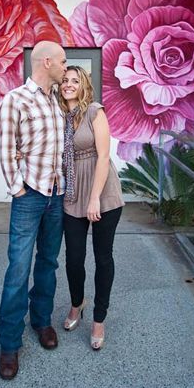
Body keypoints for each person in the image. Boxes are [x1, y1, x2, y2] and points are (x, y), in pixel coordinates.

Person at [0, 40, 68, 380]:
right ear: (48, 62)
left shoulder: (56, 101)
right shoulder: (14, 100)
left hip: (56, 195)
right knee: (18, 268)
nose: (66, 68)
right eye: (64, 62)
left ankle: (41, 322)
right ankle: (9, 344)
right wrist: (18, 189)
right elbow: (6, 149)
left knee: (49, 263)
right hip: (29, 197)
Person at [58, 66, 124, 351]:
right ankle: (77, 303)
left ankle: (99, 319)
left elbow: (104, 155)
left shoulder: (95, 112)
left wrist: (95, 198)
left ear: (84, 86)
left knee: (103, 258)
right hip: (73, 194)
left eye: (75, 81)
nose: (69, 84)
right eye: (65, 80)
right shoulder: (58, 117)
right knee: (73, 258)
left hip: (102, 193)